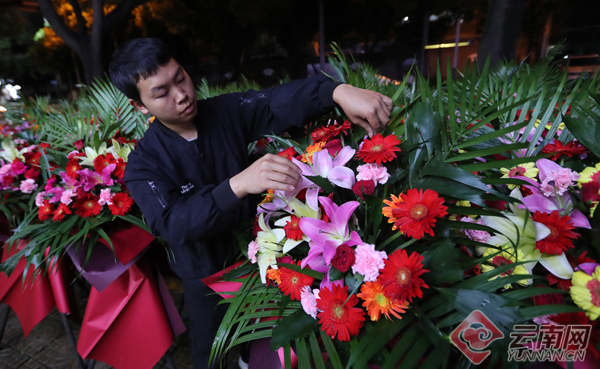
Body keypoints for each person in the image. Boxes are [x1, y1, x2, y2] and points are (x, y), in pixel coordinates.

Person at [108, 38, 392, 369]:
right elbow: (172, 223)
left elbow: (274, 102)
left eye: (180, 77)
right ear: (139, 106)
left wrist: (335, 92)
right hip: (203, 277)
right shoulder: (144, 165)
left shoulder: (225, 111)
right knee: (209, 356)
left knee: (265, 347)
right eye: (161, 92)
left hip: (259, 262)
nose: (182, 94)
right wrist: (238, 185)